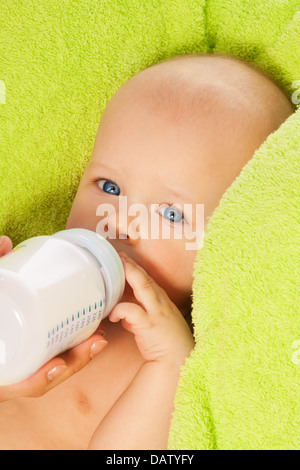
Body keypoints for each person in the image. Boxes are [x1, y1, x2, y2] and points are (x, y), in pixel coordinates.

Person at [0, 54, 294, 450]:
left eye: (171, 213)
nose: (120, 222)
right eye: (109, 187)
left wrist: (169, 366)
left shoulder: (163, 356)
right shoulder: (24, 275)